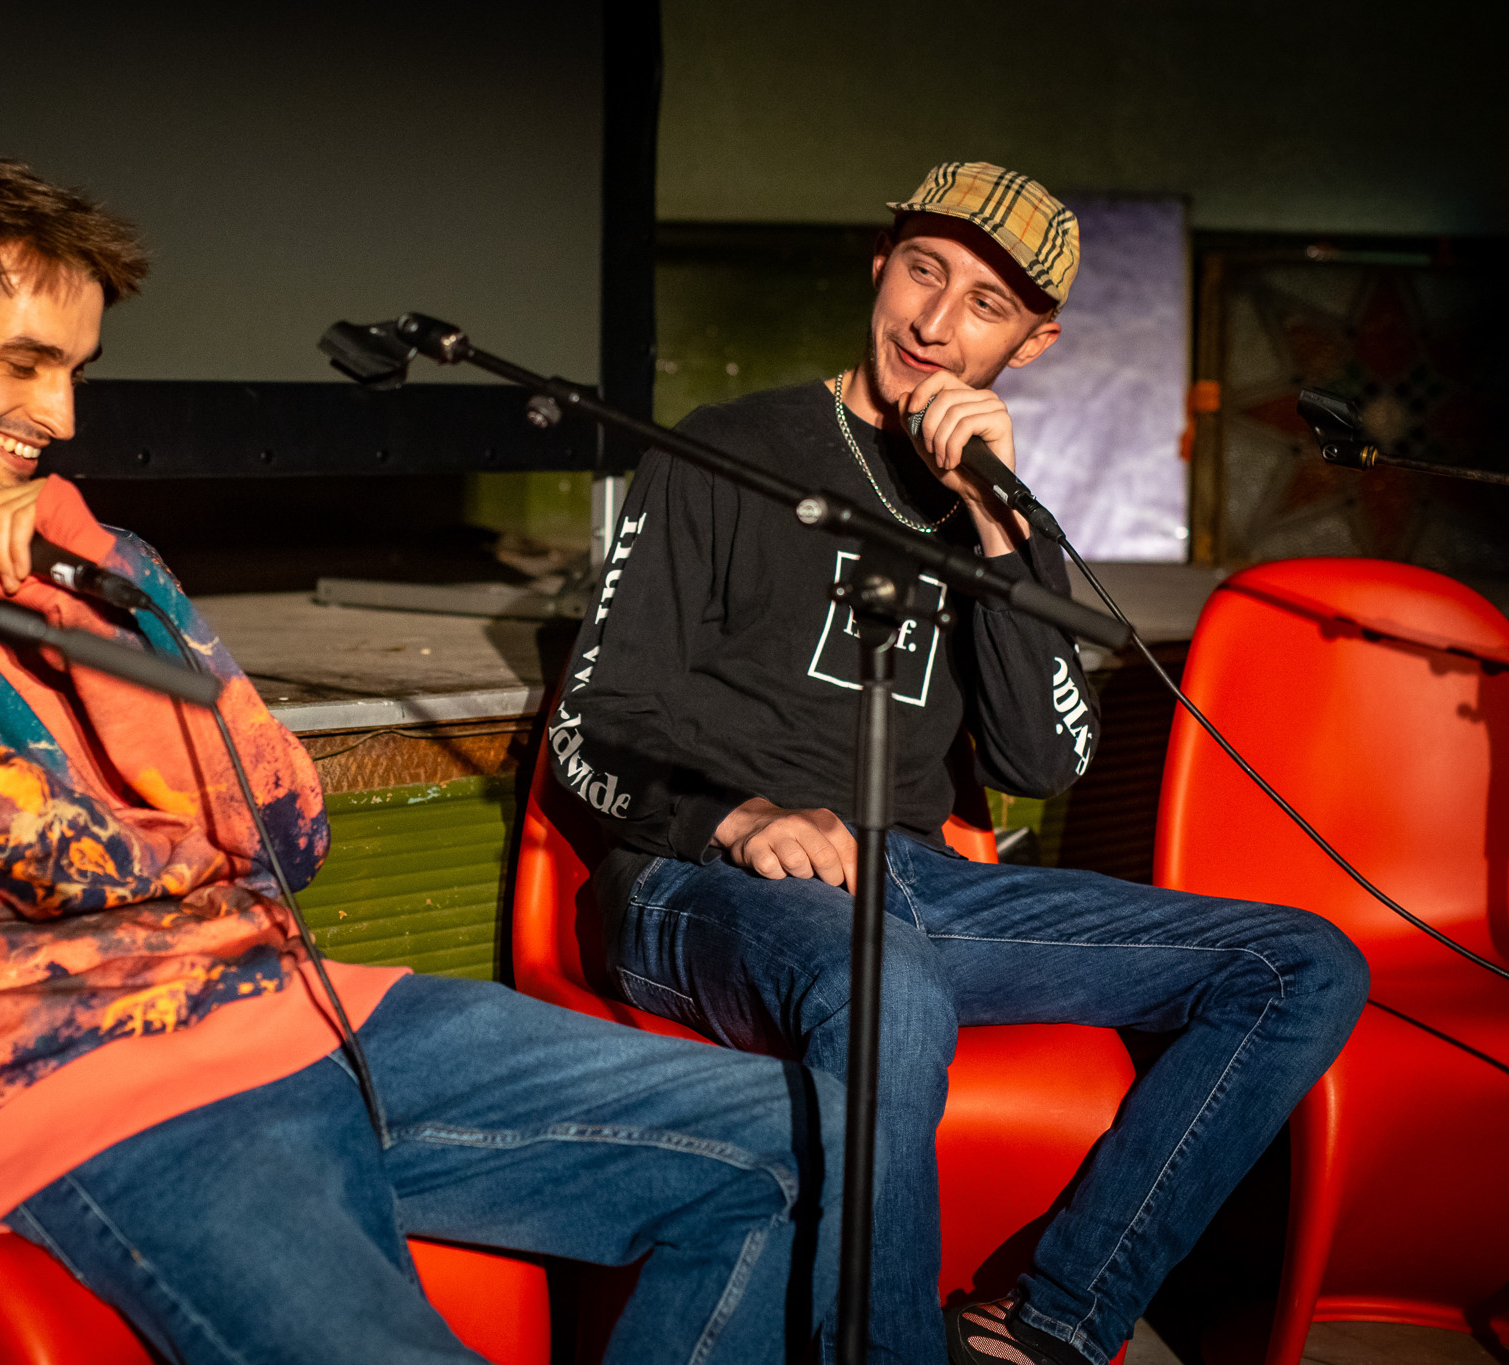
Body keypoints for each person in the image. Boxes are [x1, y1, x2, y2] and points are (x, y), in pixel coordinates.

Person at [0, 158, 851, 1363]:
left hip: (304, 1014)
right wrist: (183, 846)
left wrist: (78, 602)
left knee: (804, 1151)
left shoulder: (91, 550)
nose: (62, 416)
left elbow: (285, 828)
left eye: (75, 370)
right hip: (71, 1082)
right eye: (24, 362)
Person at [550, 161, 1370, 1365]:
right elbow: (586, 731)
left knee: (1300, 963)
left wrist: (1000, 534)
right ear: (877, 267)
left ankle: (1050, 1322)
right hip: (700, 882)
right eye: (923, 274)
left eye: (984, 304)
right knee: (890, 984)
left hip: (915, 887)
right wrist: (738, 816)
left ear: (1029, 346)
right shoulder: (723, 451)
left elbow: (1044, 761)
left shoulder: (1002, 519)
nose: (934, 324)